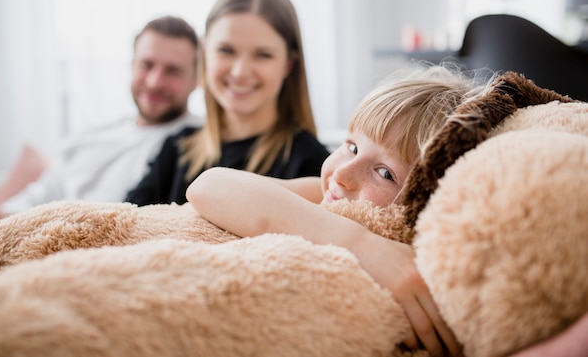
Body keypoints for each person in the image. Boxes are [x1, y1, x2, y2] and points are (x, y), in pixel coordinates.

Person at [187, 64, 489, 357]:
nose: (342, 173)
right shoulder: (323, 197)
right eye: (352, 147)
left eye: (384, 173)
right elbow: (207, 186)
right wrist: (360, 244)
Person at [0, 15, 202, 236]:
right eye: (147, 65)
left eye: (173, 71)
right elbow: (44, 192)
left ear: (196, 79)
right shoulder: (93, 134)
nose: (154, 81)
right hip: (32, 237)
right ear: (132, 65)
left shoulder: (198, 144)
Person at [125, 0, 329, 206]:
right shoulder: (176, 148)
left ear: (288, 65)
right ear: (204, 53)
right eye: (226, 51)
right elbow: (124, 225)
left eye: (263, 55)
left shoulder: (312, 165)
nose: (240, 72)